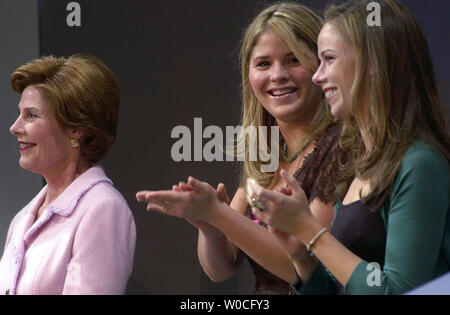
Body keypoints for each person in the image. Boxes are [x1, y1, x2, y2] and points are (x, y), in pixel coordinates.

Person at [137, 2, 346, 294]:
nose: (278, 75)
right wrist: (208, 224)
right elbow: (220, 268)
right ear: (248, 77)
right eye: (263, 64)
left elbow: (300, 266)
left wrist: (219, 215)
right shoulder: (265, 154)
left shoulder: (340, 145)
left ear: (321, 67)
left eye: (294, 60)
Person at [248, 0, 450, 294]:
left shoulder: (419, 163)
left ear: (372, 64)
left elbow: (398, 290)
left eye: (329, 59)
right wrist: (301, 255)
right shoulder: (361, 162)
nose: (318, 76)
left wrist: (309, 230)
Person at [0, 54, 136, 295]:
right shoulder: (23, 219)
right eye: (20, 113)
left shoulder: (102, 209)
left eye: (31, 115)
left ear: (76, 127)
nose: (15, 127)